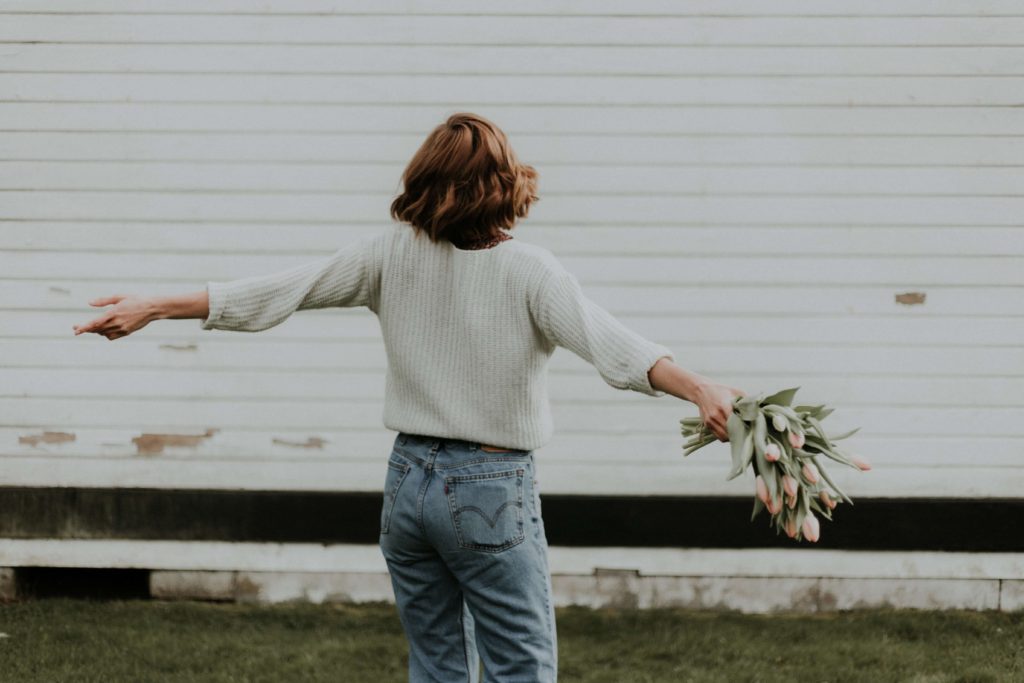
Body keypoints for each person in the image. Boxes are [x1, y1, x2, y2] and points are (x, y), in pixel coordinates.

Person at [73, 112, 744, 682]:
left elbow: (280, 291)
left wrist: (156, 305)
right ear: (504, 186)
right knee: (522, 668)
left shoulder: (390, 254)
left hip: (408, 485)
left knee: (437, 668)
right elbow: (618, 347)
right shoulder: (531, 272)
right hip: (489, 488)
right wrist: (699, 387)